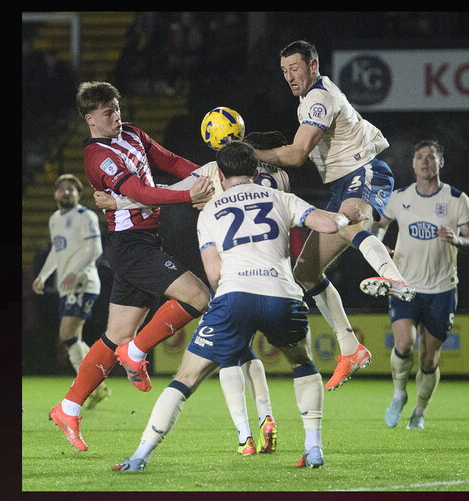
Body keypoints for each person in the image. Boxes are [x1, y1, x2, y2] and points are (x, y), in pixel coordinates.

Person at [112, 140, 363, 472]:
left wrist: (233, 307)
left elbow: (214, 274)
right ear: (257, 172)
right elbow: (329, 225)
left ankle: (140, 455)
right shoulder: (281, 198)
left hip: (235, 295)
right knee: (302, 363)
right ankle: (313, 448)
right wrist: (347, 217)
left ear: (219, 173)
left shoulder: (210, 211)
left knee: (186, 377)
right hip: (283, 295)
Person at [94, 131, 291, 454]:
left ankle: (245, 436)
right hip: (276, 279)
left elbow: (163, 193)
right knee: (272, 357)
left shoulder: (214, 173)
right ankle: (268, 416)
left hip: (234, 278)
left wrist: (118, 202)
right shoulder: (280, 181)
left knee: (223, 355)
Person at [49, 81, 216, 452]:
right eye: (108, 112)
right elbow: (139, 194)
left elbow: (169, 161)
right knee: (199, 296)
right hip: (130, 246)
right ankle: (138, 352)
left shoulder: (133, 133)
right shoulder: (97, 157)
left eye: (117, 108)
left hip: (144, 241)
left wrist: (207, 177)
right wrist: (189, 195)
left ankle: (68, 407)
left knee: (114, 337)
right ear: (91, 118)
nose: (116, 116)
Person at [251, 39, 416, 391]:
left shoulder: (319, 97)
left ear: (313, 65)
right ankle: (350, 347)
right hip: (342, 184)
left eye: (295, 68)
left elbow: (296, 155)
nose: (290, 76)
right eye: (284, 71)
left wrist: (250, 154)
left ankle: (395, 278)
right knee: (306, 271)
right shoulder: (306, 101)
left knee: (349, 220)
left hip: (365, 172)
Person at [376, 139, 469, 429]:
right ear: (413, 164)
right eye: (420, 157)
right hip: (405, 286)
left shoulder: (457, 199)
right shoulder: (399, 198)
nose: (425, 161)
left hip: (442, 289)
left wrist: (457, 240)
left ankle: (419, 412)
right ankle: (399, 393)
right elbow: (379, 229)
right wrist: (377, 248)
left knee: (428, 359)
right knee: (403, 343)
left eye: (431, 157)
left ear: (440, 163)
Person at [32, 174, 110, 409]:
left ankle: (87, 387)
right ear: (55, 194)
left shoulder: (85, 216)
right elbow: (57, 251)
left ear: (78, 194)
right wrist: (43, 275)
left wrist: (75, 271)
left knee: (67, 334)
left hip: (82, 281)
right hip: (66, 285)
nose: (66, 192)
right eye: (62, 189)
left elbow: (95, 248)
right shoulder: (55, 219)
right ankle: (97, 386)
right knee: (72, 337)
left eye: (71, 189)